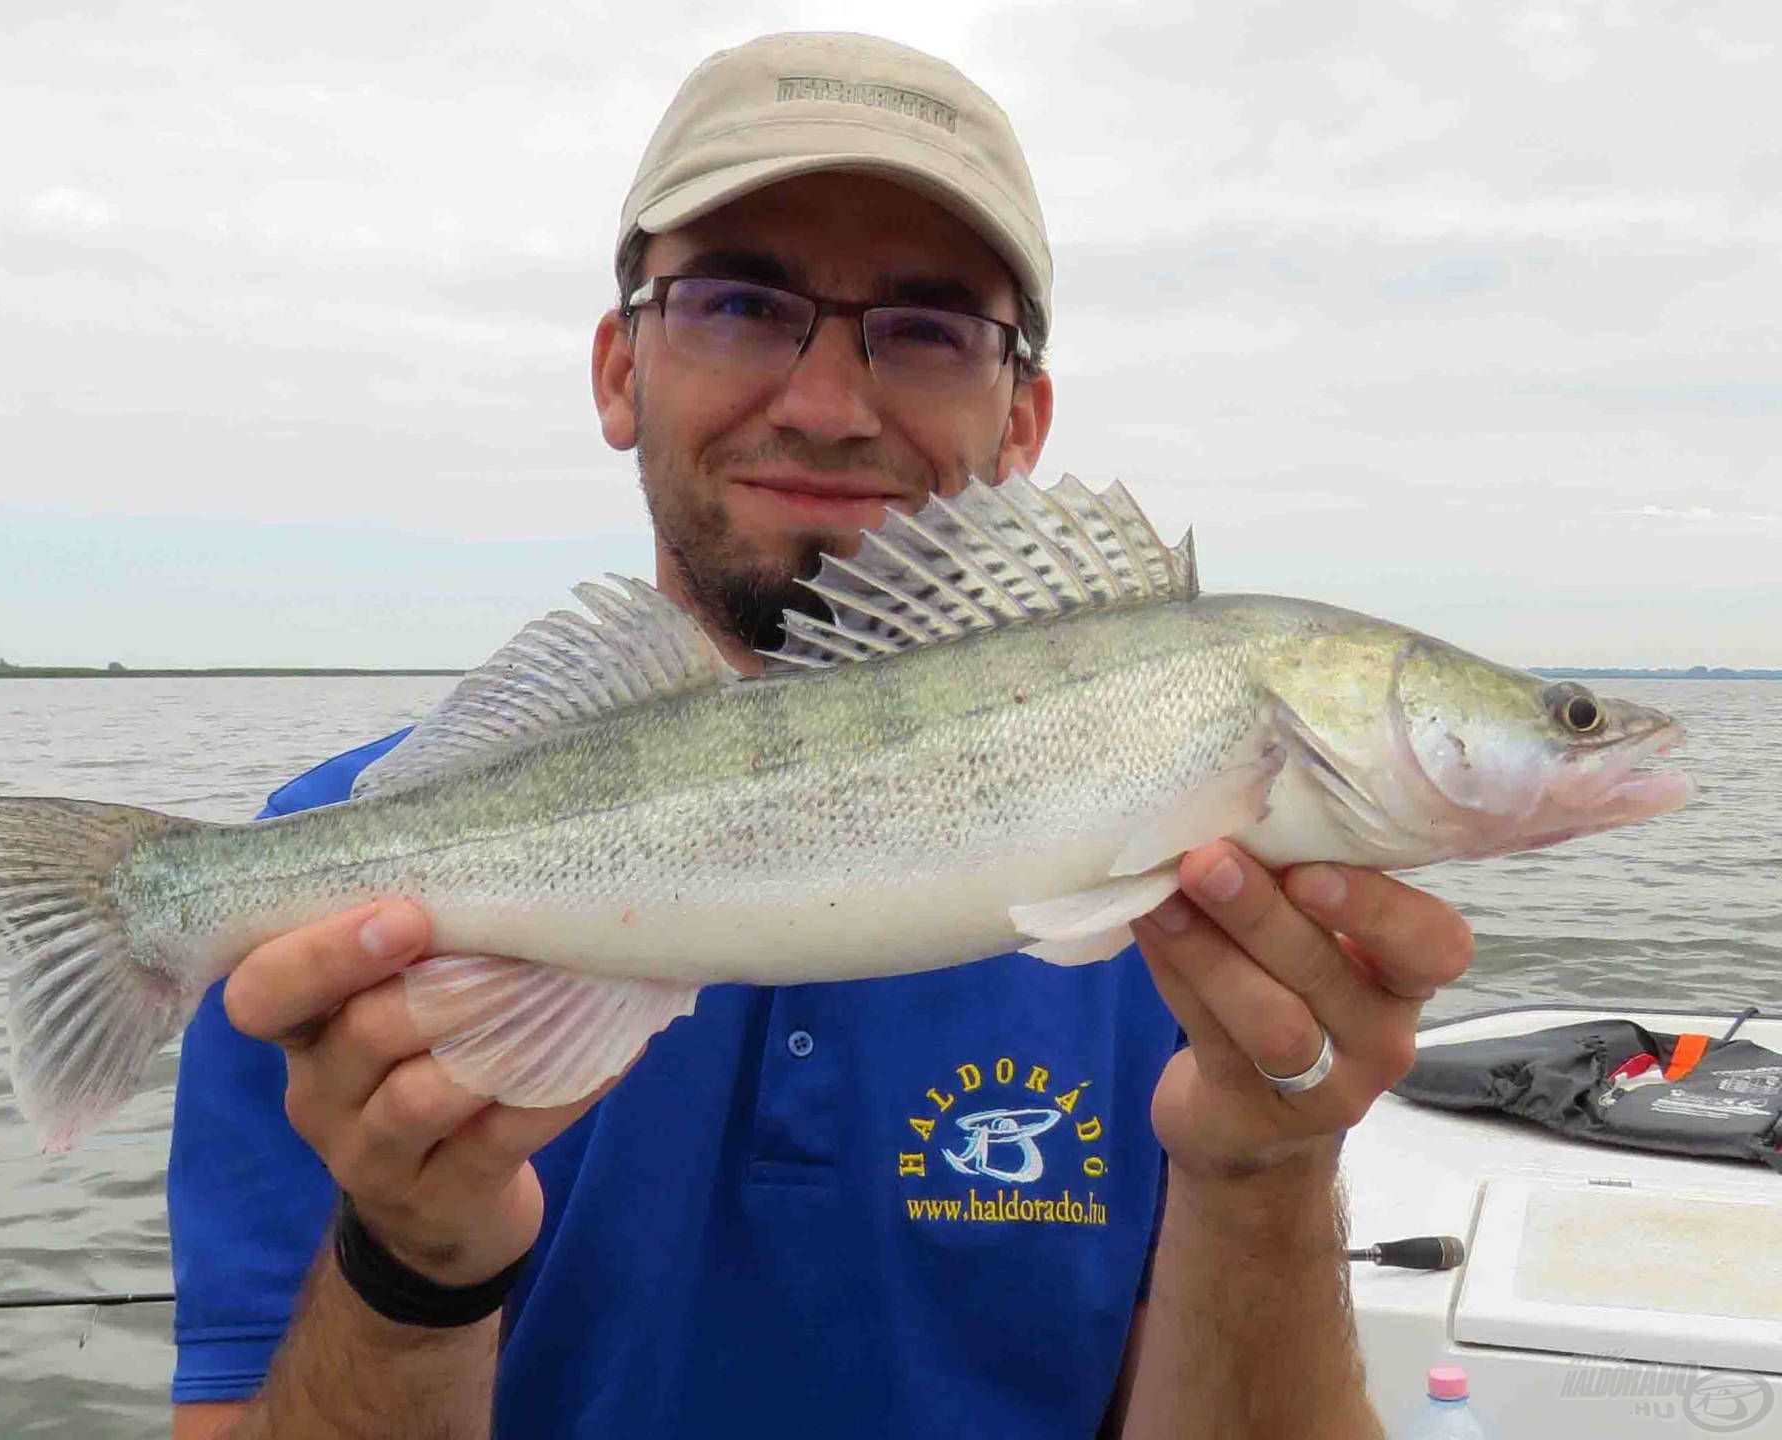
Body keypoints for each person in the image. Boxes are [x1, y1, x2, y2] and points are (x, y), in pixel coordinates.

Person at [168, 32, 1472, 1440]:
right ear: (620, 371)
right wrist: (409, 1261)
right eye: (737, 303)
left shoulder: (1191, 906)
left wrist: (1262, 1170)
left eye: (926, 329)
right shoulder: (325, 902)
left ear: (1023, 418)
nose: (827, 402)